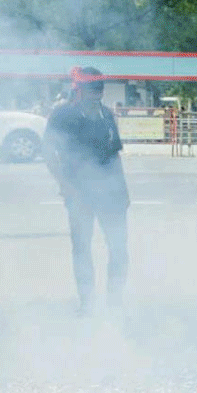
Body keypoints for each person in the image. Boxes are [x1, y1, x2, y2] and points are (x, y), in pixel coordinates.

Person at [42, 67, 129, 316]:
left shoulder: (106, 115)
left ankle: (115, 303)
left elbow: (115, 155)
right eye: (92, 87)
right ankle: (87, 303)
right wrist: (65, 186)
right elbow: (49, 152)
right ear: (78, 89)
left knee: (119, 247)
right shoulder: (63, 115)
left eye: (100, 87)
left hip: (111, 192)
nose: (98, 92)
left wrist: (123, 191)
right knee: (82, 249)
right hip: (79, 194)